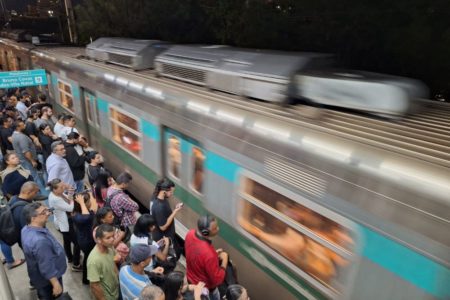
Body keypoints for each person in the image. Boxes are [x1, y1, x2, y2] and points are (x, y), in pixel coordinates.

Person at [21, 202, 67, 299]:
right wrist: (55, 284)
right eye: (43, 212)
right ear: (33, 218)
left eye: (46, 210)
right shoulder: (40, 241)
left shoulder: (26, 228)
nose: (48, 213)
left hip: (38, 276)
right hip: (48, 280)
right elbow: (46, 265)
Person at [185, 215, 229, 300]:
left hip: (190, 280)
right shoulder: (208, 254)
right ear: (205, 232)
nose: (218, 229)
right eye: (215, 228)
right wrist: (224, 261)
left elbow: (197, 254)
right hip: (205, 289)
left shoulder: (190, 234)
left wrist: (214, 254)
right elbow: (217, 280)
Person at [47, 178, 81, 272]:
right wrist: (76, 199)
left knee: (67, 240)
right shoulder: (56, 199)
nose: (63, 187)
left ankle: (70, 258)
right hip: (64, 223)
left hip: (62, 221)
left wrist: (69, 192)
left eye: (63, 185)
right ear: (54, 189)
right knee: (77, 243)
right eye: (61, 187)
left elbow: (68, 200)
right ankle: (76, 264)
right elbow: (70, 207)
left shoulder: (58, 193)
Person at [11, 119, 46, 195]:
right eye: (22, 124)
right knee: (35, 177)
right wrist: (32, 161)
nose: (24, 125)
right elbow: (26, 151)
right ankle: (41, 194)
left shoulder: (14, 135)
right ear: (17, 127)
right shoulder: (21, 137)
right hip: (27, 161)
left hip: (23, 160)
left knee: (33, 176)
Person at [87, 223, 121, 300]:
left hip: (115, 291)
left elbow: (113, 263)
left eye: (113, 236)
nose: (112, 239)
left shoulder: (109, 247)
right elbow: (94, 285)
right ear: (99, 240)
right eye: (108, 237)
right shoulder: (94, 260)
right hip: (107, 297)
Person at [150, 178, 182, 258]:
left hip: (166, 235)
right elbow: (163, 227)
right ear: (164, 192)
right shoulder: (159, 207)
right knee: (170, 258)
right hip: (163, 238)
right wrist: (175, 211)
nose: (172, 194)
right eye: (171, 192)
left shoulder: (157, 197)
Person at [72, 191, 98, 285]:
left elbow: (94, 208)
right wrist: (82, 202)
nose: (90, 202)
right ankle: (86, 279)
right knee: (88, 259)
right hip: (87, 241)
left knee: (88, 258)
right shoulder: (80, 217)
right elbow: (87, 217)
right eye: (88, 201)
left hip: (83, 238)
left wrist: (90, 194)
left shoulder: (77, 212)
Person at [9, 182, 40, 248]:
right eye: (35, 193)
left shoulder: (13, 198)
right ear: (28, 192)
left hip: (20, 238)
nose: (36, 195)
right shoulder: (24, 209)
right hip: (28, 243)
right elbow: (29, 230)